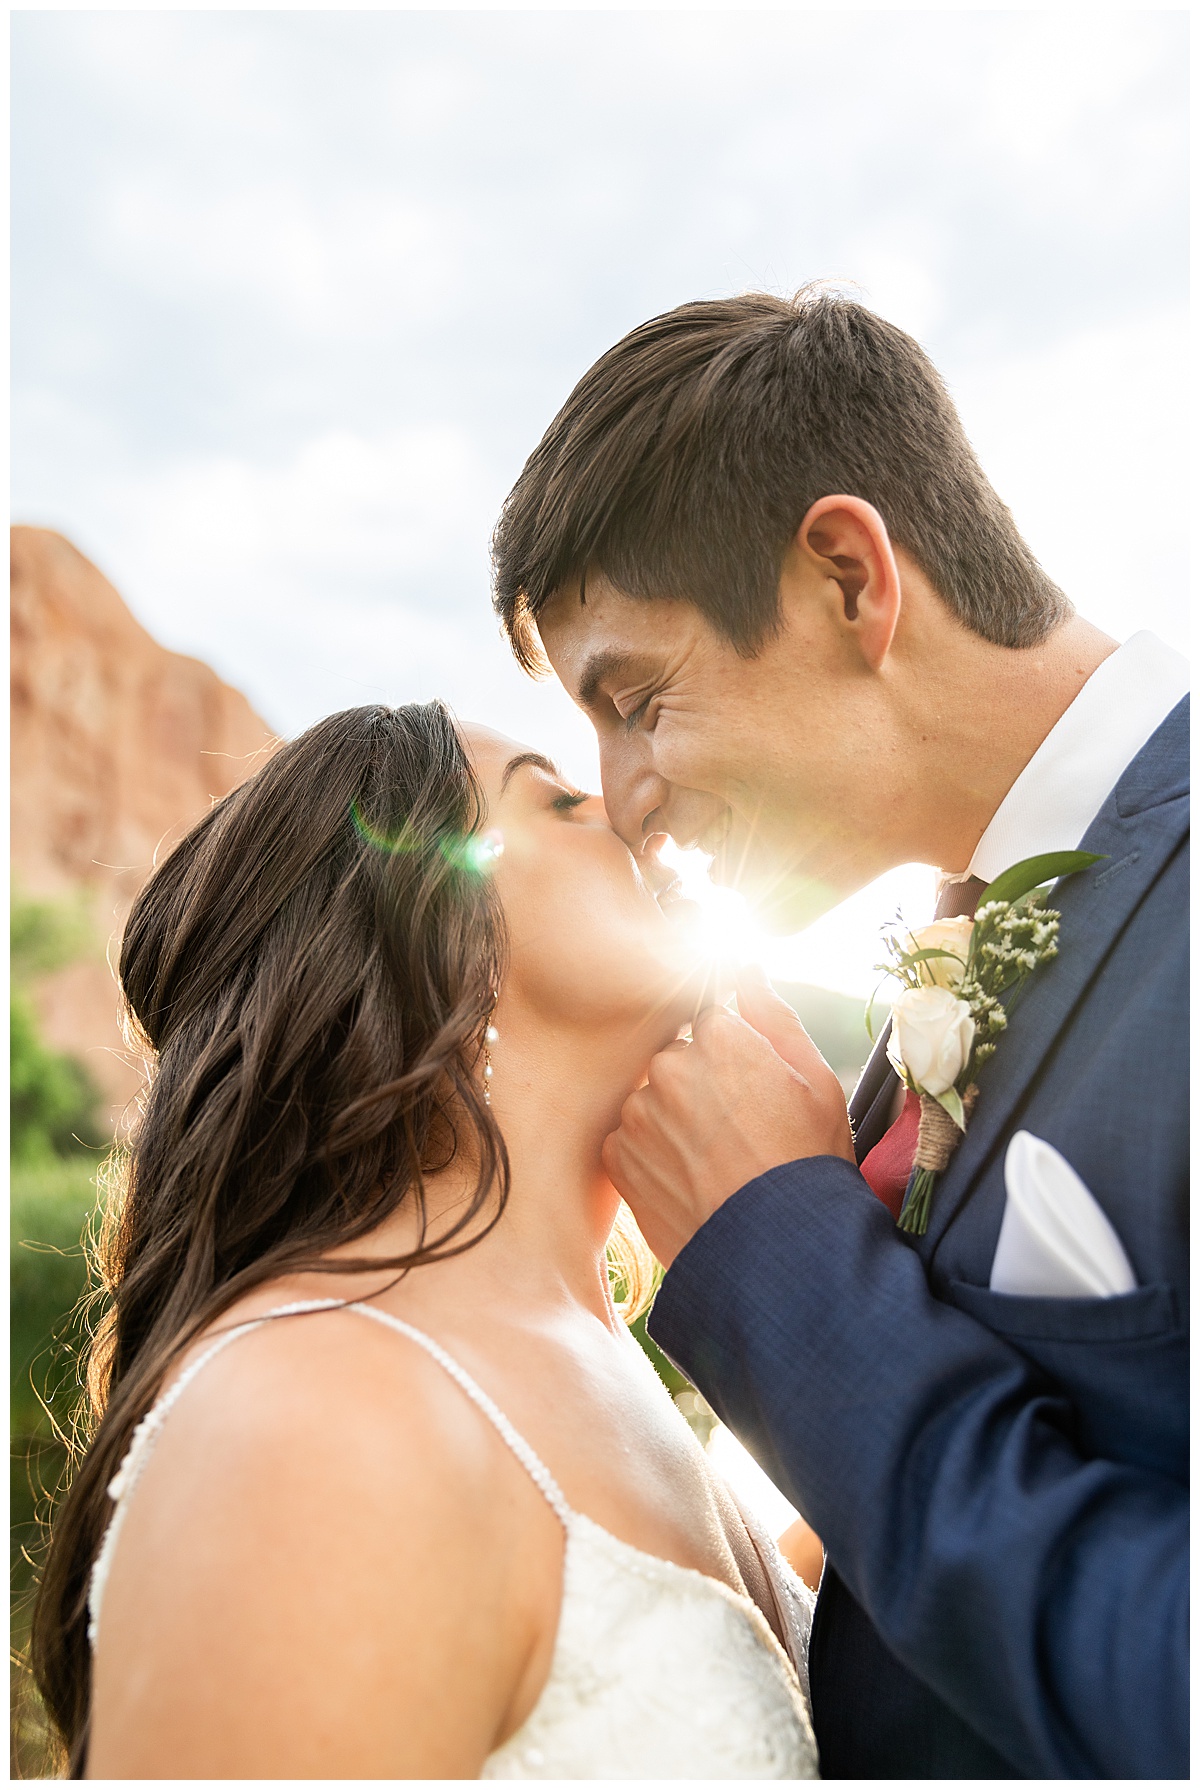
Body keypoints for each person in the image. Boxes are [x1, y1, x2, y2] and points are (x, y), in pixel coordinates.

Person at [491, 288, 1189, 1778]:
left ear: (847, 577)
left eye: (639, 697)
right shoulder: (952, 961)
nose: (623, 799)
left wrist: (782, 1251)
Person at [32, 702, 820, 1780]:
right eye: (557, 796)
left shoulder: (639, 1390)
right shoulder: (311, 1416)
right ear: (430, 934)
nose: (628, 808)